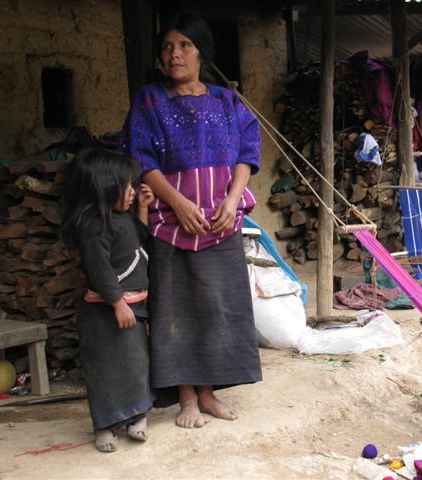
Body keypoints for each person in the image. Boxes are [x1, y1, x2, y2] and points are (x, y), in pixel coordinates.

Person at [120, 12, 262, 429]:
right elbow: (140, 158)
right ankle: (186, 397)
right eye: (168, 46)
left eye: (185, 45)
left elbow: (247, 153)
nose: (175, 53)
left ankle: (209, 393)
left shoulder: (227, 100)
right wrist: (178, 203)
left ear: (202, 52)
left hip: (221, 222)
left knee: (217, 307)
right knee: (174, 309)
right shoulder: (150, 100)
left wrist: (233, 201)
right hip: (170, 221)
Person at [60, 148, 156, 452]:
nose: (132, 191)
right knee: (106, 369)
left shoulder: (120, 216)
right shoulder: (93, 226)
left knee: (136, 363)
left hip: (132, 305)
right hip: (105, 312)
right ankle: (104, 425)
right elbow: (99, 269)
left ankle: (138, 415)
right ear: (103, 187)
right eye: (127, 186)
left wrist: (141, 209)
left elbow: (136, 241)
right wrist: (117, 303)